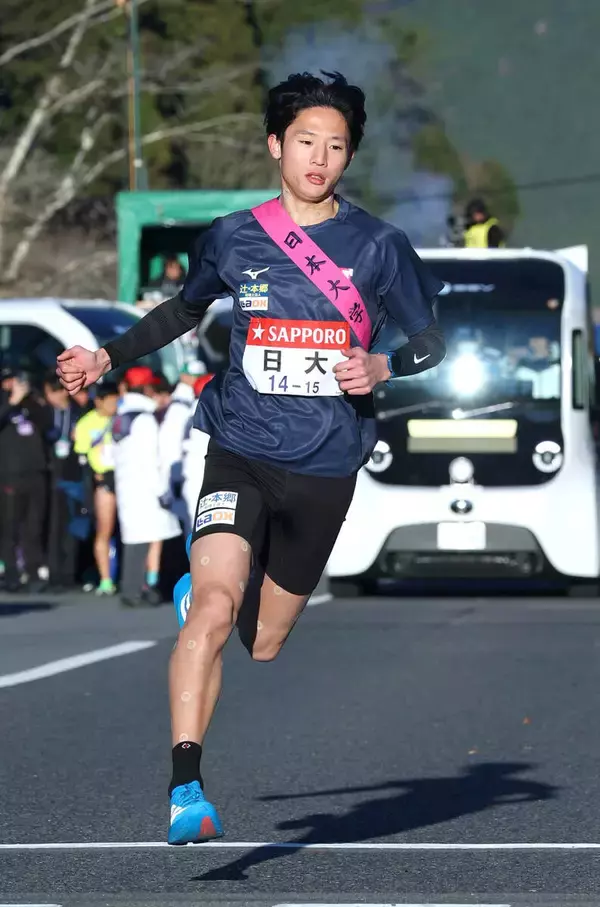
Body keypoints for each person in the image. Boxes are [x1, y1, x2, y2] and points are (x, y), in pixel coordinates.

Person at [56, 70, 446, 844]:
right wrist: (104, 356)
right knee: (211, 608)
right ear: (276, 145)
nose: (319, 157)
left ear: (348, 158)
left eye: (336, 146)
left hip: (327, 465)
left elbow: (430, 339)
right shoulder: (235, 236)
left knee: (263, 641)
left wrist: (382, 367)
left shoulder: (379, 245)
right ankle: (186, 789)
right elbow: (182, 308)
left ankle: (221, 602)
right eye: (306, 140)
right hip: (238, 448)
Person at [111, 366, 181, 607]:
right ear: (148, 388)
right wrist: (161, 490)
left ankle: (134, 587)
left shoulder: (121, 416)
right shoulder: (144, 419)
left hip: (127, 485)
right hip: (145, 488)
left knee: (135, 539)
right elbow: (150, 459)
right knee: (143, 540)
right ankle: (134, 590)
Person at [0, 368, 52, 592]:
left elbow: (48, 423)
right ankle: (11, 572)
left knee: (33, 526)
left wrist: (32, 400)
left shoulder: (31, 405)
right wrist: (13, 401)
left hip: (35, 472)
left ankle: (33, 571)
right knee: (10, 526)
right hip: (11, 474)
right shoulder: (5, 404)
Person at [73, 381, 120, 595]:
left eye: (116, 400)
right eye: (109, 401)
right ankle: (105, 579)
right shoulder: (86, 424)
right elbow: (82, 455)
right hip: (103, 480)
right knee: (104, 529)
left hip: (126, 478)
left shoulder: (122, 418)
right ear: (98, 401)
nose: (113, 405)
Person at [43, 372, 84, 591]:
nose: (60, 396)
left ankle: (69, 572)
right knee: (53, 526)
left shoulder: (76, 412)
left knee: (72, 524)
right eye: (55, 392)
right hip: (51, 473)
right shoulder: (44, 413)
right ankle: (53, 571)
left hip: (71, 474)